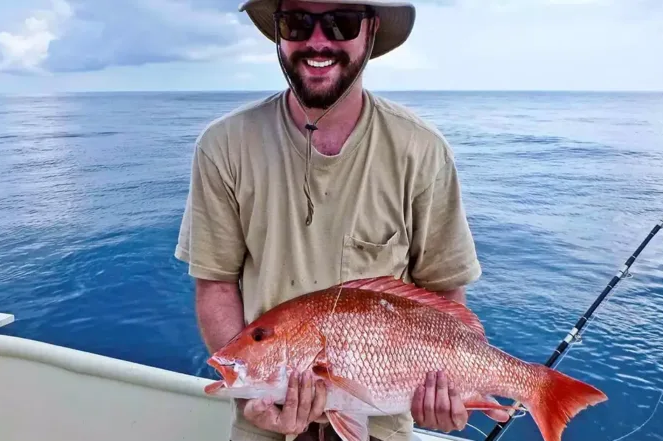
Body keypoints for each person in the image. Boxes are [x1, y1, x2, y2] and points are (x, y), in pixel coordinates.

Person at [174, 0, 509, 440]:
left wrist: (448, 391)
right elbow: (215, 284)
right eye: (297, 21)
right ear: (278, 31)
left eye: (341, 22)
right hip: (262, 426)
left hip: (384, 426)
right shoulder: (223, 146)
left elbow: (445, 294)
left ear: (369, 32)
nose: (318, 40)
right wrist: (250, 395)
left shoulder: (422, 151)